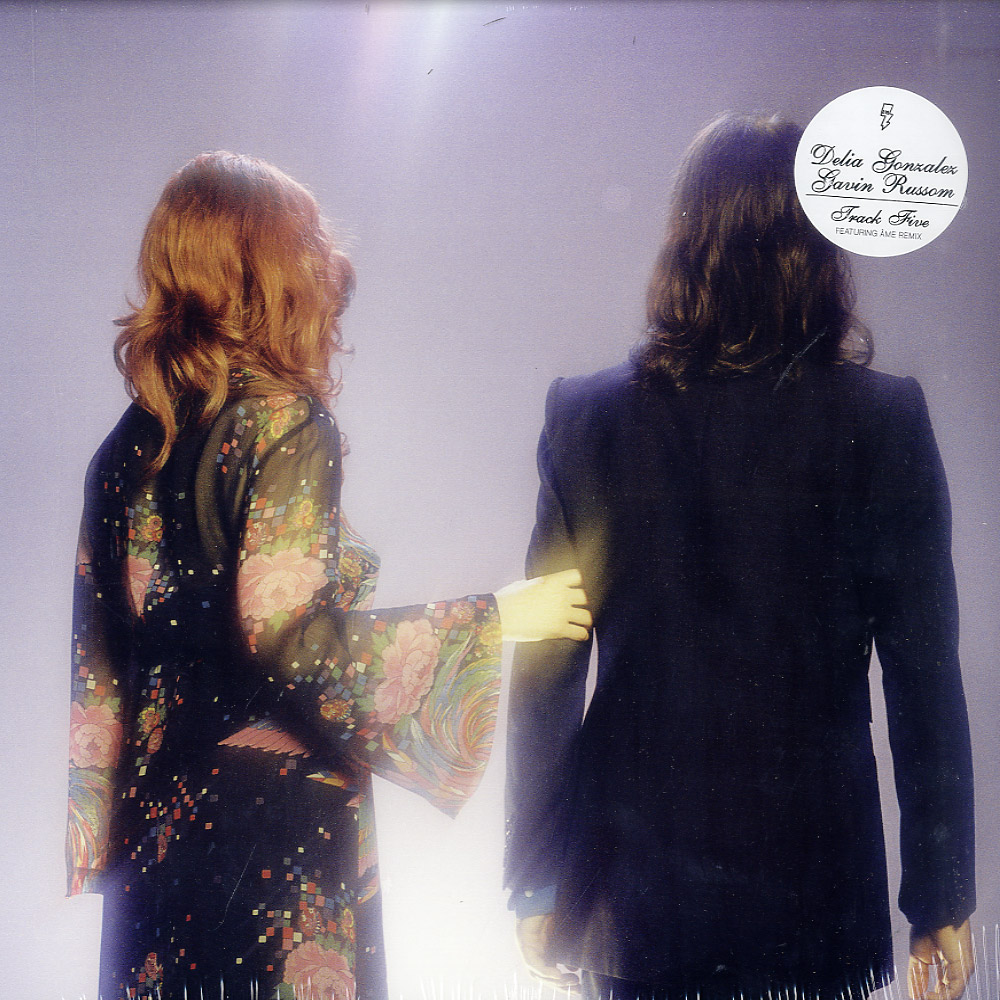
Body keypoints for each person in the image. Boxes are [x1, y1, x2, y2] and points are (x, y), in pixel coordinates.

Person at [65, 151, 590, 1000]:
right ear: (267, 262)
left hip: (154, 836)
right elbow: (286, 639)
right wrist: (493, 619)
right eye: (306, 242)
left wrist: (104, 825)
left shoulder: (128, 443)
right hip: (272, 839)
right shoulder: (285, 423)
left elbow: (104, 663)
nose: (329, 264)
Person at [504, 113, 975, 1000]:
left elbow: (546, 665)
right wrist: (940, 895)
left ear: (685, 237)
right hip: (813, 876)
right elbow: (923, 675)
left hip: (633, 886)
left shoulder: (587, 418)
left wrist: (533, 877)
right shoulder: (884, 420)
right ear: (821, 247)